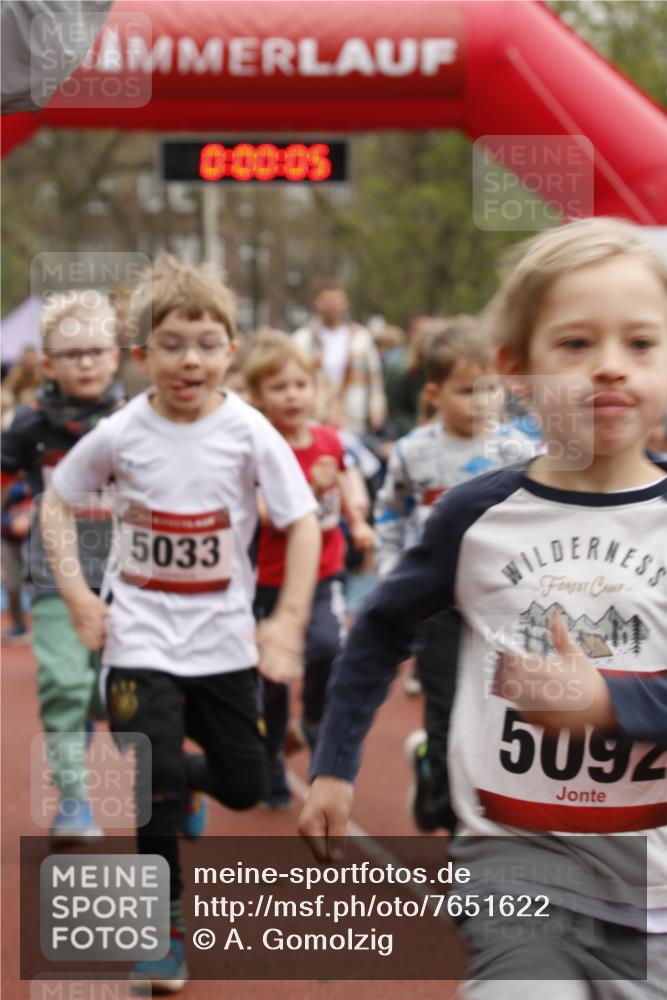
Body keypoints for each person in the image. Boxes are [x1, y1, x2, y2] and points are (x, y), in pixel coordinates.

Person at [299, 217, 667, 999]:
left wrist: (608, 703)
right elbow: (380, 630)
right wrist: (332, 767)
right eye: (574, 345)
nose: (608, 367)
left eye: (639, 344)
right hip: (516, 862)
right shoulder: (475, 516)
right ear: (516, 372)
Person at [41, 256, 321, 993]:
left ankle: (188, 784)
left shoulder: (250, 431)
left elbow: (303, 523)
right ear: (141, 356)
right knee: (151, 784)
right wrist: (76, 596)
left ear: (230, 349)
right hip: (140, 639)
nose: (188, 358)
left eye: (205, 341)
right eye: (170, 343)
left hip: (223, 642)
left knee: (243, 781)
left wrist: (288, 620)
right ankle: (164, 934)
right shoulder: (120, 431)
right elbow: (56, 504)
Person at [374, 316, 538, 823]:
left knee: (502, 714)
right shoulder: (414, 450)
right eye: (467, 391)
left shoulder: (522, 450)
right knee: (447, 711)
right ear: (433, 392)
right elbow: (392, 511)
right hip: (441, 605)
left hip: (503, 606)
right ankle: (451, 817)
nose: (482, 402)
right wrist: (390, 571)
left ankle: (480, 800)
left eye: (490, 390)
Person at [1, 291, 122, 841]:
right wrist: (20, 506)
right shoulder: (29, 425)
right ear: (48, 364)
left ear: (117, 356)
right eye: (72, 355)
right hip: (52, 576)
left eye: (98, 351)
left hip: (129, 582)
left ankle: (180, 777)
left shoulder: (134, 421)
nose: (87, 363)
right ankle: (74, 803)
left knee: (114, 694)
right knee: (62, 687)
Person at [244, 331, 374, 808]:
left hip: (325, 569)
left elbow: (346, 482)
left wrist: (358, 521)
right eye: (279, 387)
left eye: (300, 384)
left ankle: (314, 718)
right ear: (258, 397)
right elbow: (260, 511)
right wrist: (305, 486)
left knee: (329, 644)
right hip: (271, 579)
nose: (293, 395)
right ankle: (272, 763)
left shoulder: (328, 439)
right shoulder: (259, 447)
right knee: (272, 679)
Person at [294, 281, 387, 435]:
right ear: (317, 303)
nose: (332, 307)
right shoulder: (302, 339)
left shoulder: (361, 337)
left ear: (345, 304)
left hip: (353, 413)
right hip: (316, 414)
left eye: (336, 301)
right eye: (327, 302)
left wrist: (377, 409)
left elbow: (375, 377)